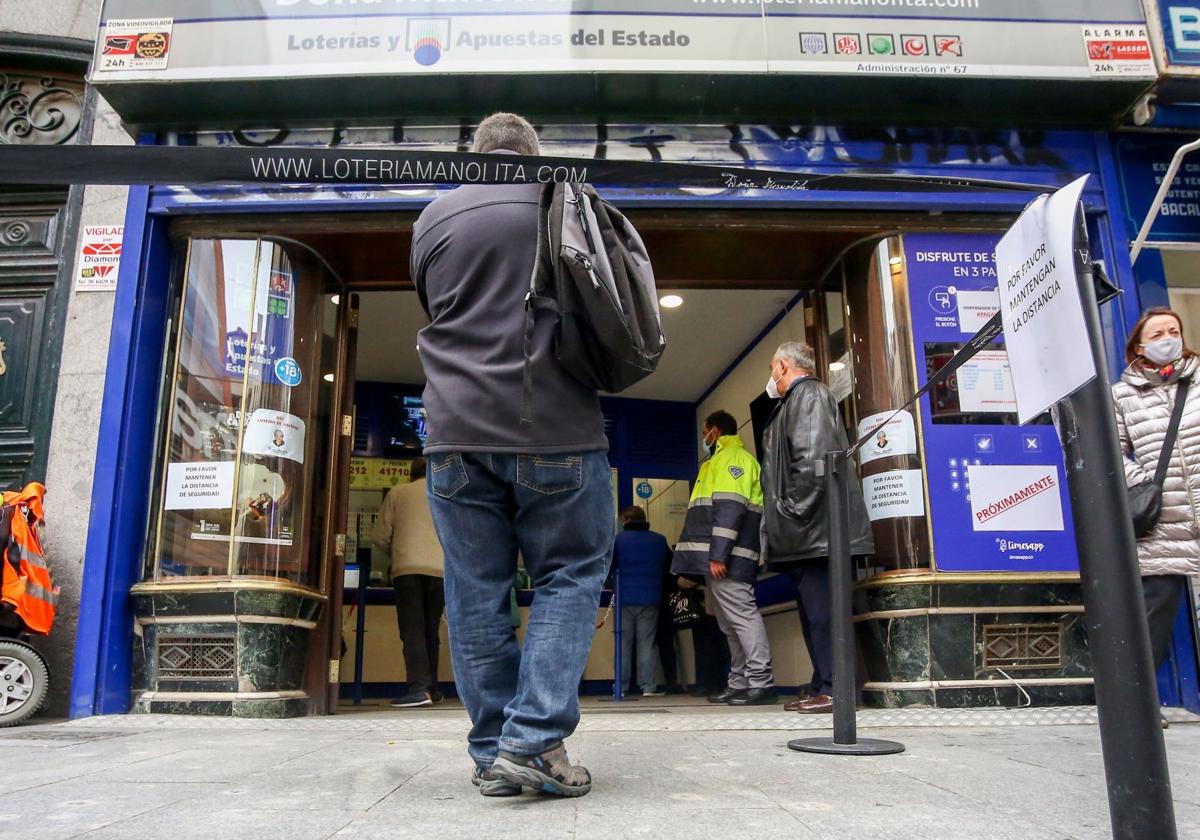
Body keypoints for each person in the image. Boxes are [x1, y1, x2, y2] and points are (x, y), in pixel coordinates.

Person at [411, 112, 619, 798]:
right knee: (568, 573)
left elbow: (437, 305)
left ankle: (493, 752)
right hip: (555, 425)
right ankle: (530, 744)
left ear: (476, 156)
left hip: (454, 433)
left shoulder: (433, 219)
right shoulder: (562, 199)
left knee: (475, 594)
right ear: (535, 154)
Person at [760, 341, 873, 715]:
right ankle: (822, 685)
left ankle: (835, 689)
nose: (771, 376)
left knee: (823, 615)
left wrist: (790, 513)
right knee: (814, 615)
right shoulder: (795, 401)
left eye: (772, 367)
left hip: (815, 531)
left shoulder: (807, 396)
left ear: (783, 366)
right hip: (810, 533)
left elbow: (813, 461)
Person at [1112, 307, 1200, 724]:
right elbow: (1111, 450)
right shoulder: (1122, 394)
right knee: (1154, 618)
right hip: (1162, 518)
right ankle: (1141, 706)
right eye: (1158, 333)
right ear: (1139, 346)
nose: (1168, 337)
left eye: (1174, 330)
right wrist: (1146, 481)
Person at [671, 410, 777, 706]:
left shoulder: (733, 459)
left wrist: (718, 554)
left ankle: (761, 682)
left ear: (714, 432)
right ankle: (740, 682)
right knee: (729, 624)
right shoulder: (718, 460)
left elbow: (731, 509)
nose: (704, 438)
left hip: (728, 558)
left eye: (705, 432)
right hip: (719, 559)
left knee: (742, 617)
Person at [370, 458, 445, 708]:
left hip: (408, 571)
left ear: (410, 474)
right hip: (440, 572)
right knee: (430, 630)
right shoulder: (444, 494)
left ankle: (418, 688)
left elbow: (379, 536)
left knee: (413, 630)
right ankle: (432, 687)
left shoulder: (397, 493)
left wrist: (399, 551)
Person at [612, 505, 672, 697]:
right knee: (646, 644)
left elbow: (608, 567)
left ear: (627, 520)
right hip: (650, 598)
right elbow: (669, 567)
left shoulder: (617, 541)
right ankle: (648, 687)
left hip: (623, 598)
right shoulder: (659, 540)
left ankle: (620, 688)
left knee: (623, 643)